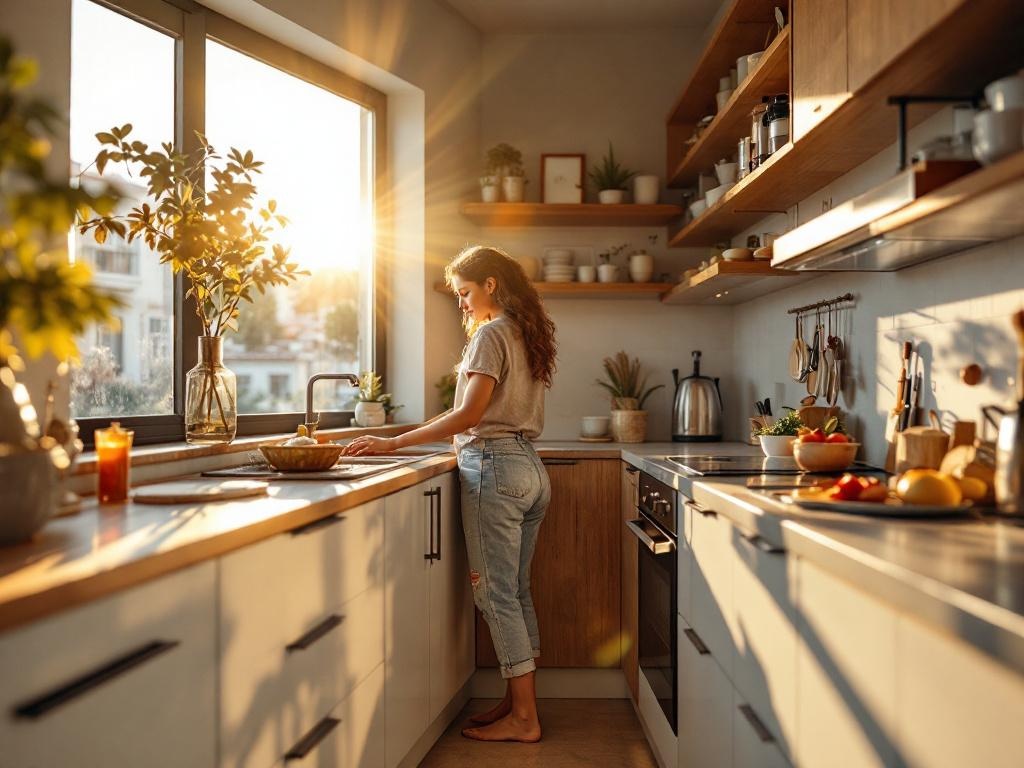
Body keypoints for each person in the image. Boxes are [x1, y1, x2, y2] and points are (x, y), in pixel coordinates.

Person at [343, 245, 557, 743]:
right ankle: (515, 703)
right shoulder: (526, 332)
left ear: (490, 284)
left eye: (464, 292)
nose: (461, 303)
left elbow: (468, 416)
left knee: (495, 595)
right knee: (516, 591)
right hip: (529, 468)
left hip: (495, 468)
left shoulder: (490, 333)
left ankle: (525, 719)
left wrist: (392, 441)